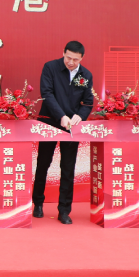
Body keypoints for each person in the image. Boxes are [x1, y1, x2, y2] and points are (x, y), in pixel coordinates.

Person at [33, 41, 94, 225]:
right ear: (63, 53)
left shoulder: (86, 75)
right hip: (50, 122)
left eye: (76, 59)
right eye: (68, 58)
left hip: (72, 127)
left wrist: (79, 116)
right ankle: (38, 203)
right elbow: (47, 94)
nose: (71, 62)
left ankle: (64, 210)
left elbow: (88, 102)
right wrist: (61, 115)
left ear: (82, 58)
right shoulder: (50, 67)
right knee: (43, 163)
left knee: (68, 167)